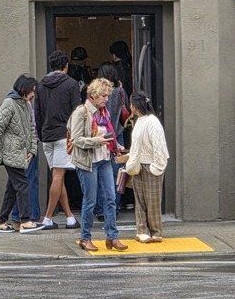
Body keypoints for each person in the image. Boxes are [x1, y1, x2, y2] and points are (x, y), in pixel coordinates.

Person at [68, 78, 127, 252]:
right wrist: (97, 141)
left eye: (107, 95)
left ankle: (112, 236)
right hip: (88, 162)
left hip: (104, 159)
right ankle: (85, 238)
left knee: (111, 198)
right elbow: (76, 139)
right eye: (103, 95)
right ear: (93, 95)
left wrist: (116, 145)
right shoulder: (82, 112)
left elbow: (109, 134)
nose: (106, 99)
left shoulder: (104, 112)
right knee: (90, 200)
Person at [0, 75, 45, 234]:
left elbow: (32, 128)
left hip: (20, 153)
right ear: (24, 89)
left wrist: (32, 150)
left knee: (12, 188)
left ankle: (1, 222)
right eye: (32, 91)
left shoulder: (26, 104)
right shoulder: (9, 103)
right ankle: (25, 221)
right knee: (23, 185)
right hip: (10, 153)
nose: (33, 94)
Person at [35, 49, 81, 230]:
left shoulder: (40, 85)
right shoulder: (71, 84)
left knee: (57, 176)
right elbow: (77, 112)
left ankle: (70, 217)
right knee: (58, 176)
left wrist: (41, 134)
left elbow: (37, 114)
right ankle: (47, 218)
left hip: (47, 136)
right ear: (66, 66)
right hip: (64, 135)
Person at [122, 91, 169, 242]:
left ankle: (155, 231)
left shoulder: (152, 122)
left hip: (150, 165)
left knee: (152, 200)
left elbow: (159, 146)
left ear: (135, 106)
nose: (130, 107)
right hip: (139, 164)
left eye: (131, 104)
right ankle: (142, 230)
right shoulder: (141, 120)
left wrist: (157, 166)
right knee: (140, 200)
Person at [95, 63, 128, 215]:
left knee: (101, 172)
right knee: (117, 173)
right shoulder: (120, 91)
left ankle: (100, 208)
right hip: (117, 135)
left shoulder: (97, 94)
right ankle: (114, 207)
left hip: (101, 135)